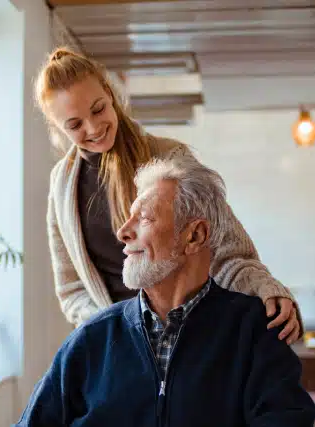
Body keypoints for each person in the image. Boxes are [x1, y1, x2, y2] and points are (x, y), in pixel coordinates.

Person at [2, 155, 315, 427]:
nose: (123, 232)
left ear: (194, 236)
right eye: (128, 218)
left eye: (145, 218)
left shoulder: (253, 332)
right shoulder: (92, 338)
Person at [37, 46, 301, 343]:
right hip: (118, 348)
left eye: (98, 109)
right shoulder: (62, 185)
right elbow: (71, 289)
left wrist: (264, 288)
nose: (94, 127)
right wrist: (114, 329)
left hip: (192, 338)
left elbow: (226, 250)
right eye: (74, 124)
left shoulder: (170, 158)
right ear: (58, 129)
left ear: (110, 94)